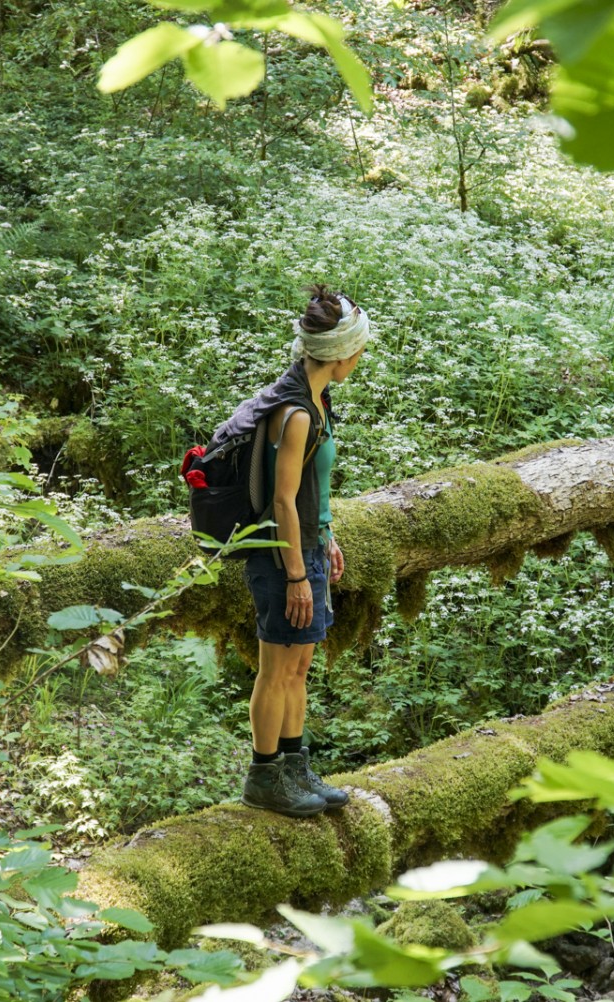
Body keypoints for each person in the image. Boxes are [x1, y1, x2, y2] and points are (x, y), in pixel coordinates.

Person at [213, 285, 369, 817]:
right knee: (275, 670)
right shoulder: (297, 412)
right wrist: (298, 575)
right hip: (282, 558)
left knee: (298, 667)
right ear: (342, 354)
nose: (360, 358)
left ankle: (294, 766)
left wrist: (327, 540)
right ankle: (263, 777)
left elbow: (310, 490)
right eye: (359, 350)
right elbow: (281, 498)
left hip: (307, 548)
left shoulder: (316, 398)